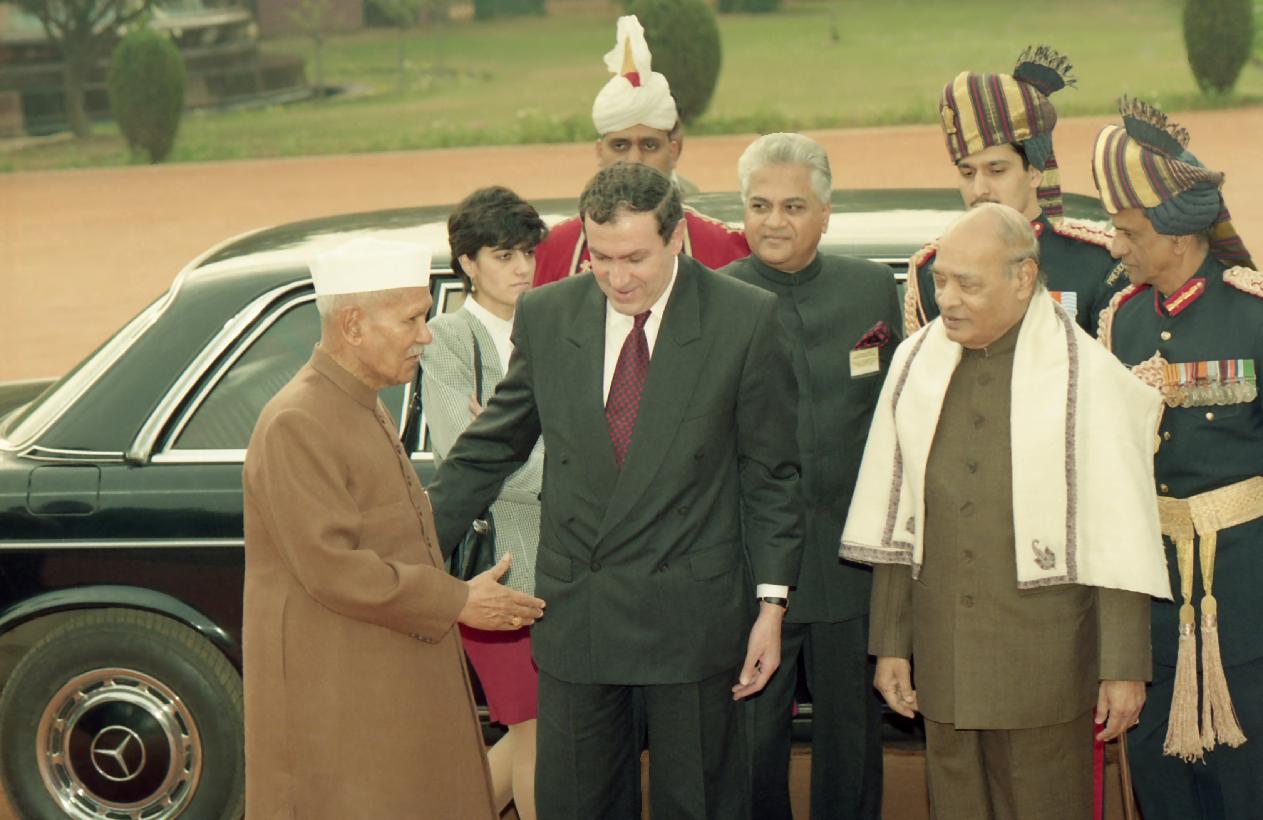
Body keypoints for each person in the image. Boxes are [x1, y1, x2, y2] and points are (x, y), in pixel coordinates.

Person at [429, 162, 803, 820]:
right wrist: (411, 554)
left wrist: (771, 606)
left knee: (700, 805)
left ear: (676, 238)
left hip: (691, 616)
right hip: (580, 615)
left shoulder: (743, 318)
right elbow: (491, 447)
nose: (617, 278)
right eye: (600, 258)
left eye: (634, 258)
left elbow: (770, 476)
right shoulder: (549, 314)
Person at [841, 203, 1171, 820]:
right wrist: (891, 646)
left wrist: (1123, 668)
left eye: (968, 284)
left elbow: (1120, 533)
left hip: (1048, 665)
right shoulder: (914, 366)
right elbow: (897, 518)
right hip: (944, 657)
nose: (948, 300)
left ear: (1023, 278)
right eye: (941, 281)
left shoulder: (1087, 377)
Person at [241, 236, 545, 819]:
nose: (426, 336)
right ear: (353, 325)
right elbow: (334, 568)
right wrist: (458, 599)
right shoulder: (297, 421)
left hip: (387, 676)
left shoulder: (360, 402)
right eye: (411, 319)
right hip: (344, 692)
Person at [720, 132, 899, 820]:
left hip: (852, 564)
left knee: (852, 748)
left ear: (825, 213)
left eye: (793, 206)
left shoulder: (870, 288)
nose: (774, 221)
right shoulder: (714, 296)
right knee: (751, 749)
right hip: (751, 567)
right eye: (759, 205)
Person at [1092, 98, 1262, 820]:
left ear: (1179, 234)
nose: (1114, 246)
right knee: (1163, 790)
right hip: (1153, 607)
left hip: (1246, 603)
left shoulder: (1253, 315)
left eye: (1128, 232)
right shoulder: (1120, 321)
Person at [422, 186, 548, 820]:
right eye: (504, 255)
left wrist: (508, 442)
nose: (522, 268)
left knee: (539, 730)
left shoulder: (553, 323)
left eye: (527, 252)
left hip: (566, 562)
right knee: (536, 730)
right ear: (468, 263)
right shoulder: (447, 338)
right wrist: (563, 455)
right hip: (496, 567)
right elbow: (469, 464)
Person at [903, 45, 1126, 337]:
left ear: (1034, 172)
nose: (979, 189)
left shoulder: (1097, 264)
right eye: (967, 173)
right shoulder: (932, 268)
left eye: (996, 171)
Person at [531, 15, 748, 287]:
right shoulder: (553, 249)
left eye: (649, 145)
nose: (634, 159)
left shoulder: (724, 247)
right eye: (620, 145)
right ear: (599, 152)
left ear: (674, 151)